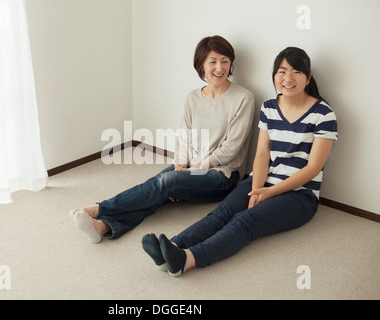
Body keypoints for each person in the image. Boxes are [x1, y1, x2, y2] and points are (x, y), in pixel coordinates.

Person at [142, 47, 338, 276]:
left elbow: (313, 168)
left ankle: (187, 260)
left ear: (308, 77)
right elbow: (263, 154)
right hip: (262, 181)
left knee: (245, 221)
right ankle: (174, 246)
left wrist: (269, 193)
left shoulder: (324, 115)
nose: (288, 79)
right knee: (222, 213)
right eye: (282, 71)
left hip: (300, 194)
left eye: (296, 72)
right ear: (274, 74)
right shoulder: (269, 107)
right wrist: (257, 189)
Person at [70, 35, 255, 244]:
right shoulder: (193, 97)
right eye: (212, 61)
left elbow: (232, 147)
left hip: (223, 176)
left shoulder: (243, 98)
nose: (219, 68)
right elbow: (184, 136)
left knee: (166, 183)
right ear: (201, 65)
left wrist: (188, 174)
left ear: (231, 63)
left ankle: (99, 208)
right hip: (192, 167)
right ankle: (103, 226)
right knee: (156, 187)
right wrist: (179, 166)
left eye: (225, 61)